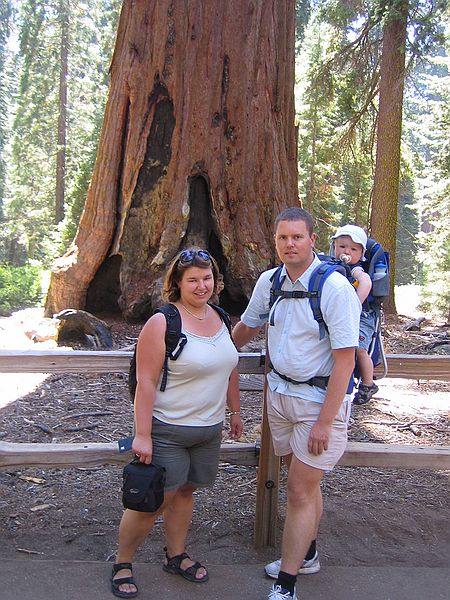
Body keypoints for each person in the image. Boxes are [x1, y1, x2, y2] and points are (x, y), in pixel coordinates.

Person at [232, 207, 361, 600]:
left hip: (319, 403)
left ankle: (285, 584)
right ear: (275, 241)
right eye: (283, 238)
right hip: (280, 397)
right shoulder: (269, 281)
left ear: (312, 240)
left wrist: (325, 421)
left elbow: (346, 359)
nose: (290, 244)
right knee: (306, 485)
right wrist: (209, 350)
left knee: (300, 490)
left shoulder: (335, 289)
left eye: (297, 237)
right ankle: (307, 554)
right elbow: (246, 328)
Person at [111, 248, 243, 598]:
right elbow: (146, 382)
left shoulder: (220, 316)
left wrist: (236, 411)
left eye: (207, 278)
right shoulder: (163, 322)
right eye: (193, 280)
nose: (202, 286)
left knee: (185, 491)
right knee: (152, 500)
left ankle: (176, 554)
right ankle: (123, 562)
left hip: (208, 430)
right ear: (178, 283)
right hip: (167, 429)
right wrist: (142, 434)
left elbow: (229, 366)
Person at [331, 224, 379, 403]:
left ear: (361, 253)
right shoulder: (331, 266)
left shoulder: (356, 269)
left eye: (353, 249)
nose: (347, 251)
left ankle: (367, 384)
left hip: (361, 316)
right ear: (334, 246)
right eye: (342, 246)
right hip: (339, 314)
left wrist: (354, 305)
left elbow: (365, 283)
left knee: (358, 349)